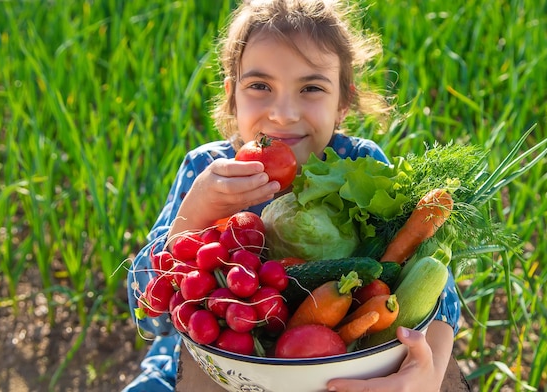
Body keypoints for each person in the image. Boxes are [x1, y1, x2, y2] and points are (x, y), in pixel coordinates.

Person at [123, 1, 460, 391]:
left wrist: (429, 375)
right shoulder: (208, 171)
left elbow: (437, 293)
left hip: (343, 366)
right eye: (260, 86)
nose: (283, 114)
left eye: (311, 88)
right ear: (233, 96)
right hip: (215, 359)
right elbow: (149, 316)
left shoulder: (361, 165)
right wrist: (193, 215)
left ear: (343, 101)